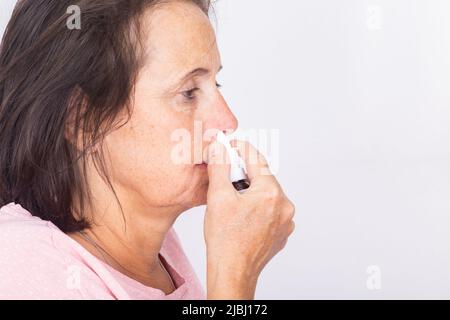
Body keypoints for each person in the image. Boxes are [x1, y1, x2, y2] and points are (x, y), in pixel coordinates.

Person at [0, 0, 295, 299]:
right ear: (82, 121)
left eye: (215, 84)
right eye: (189, 92)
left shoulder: (162, 249)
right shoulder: (24, 267)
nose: (228, 121)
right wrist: (234, 274)